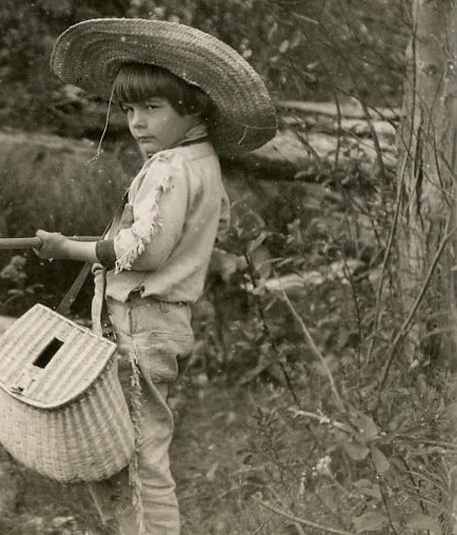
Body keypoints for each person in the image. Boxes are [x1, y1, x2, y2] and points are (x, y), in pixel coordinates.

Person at [35, 19, 277, 534]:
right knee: (128, 449)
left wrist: (65, 248)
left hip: (141, 323)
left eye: (152, 108)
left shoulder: (169, 168)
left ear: (193, 108)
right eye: (128, 110)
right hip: (159, 322)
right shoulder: (203, 163)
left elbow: (141, 253)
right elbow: (221, 226)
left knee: (137, 455)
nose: (138, 123)